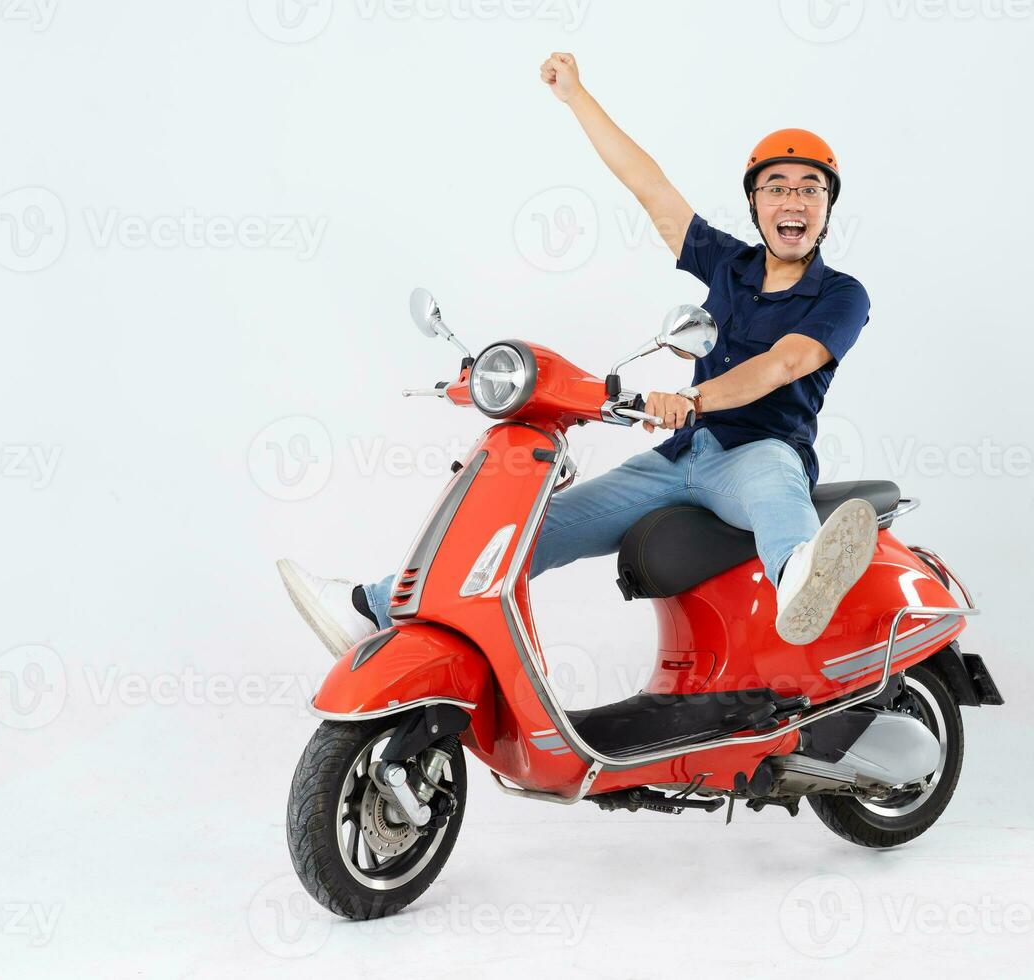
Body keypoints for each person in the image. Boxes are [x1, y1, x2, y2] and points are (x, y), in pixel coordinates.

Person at [277, 51, 874, 655]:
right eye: (776, 188)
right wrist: (577, 97)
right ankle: (374, 608)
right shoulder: (729, 264)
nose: (792, 202)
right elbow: (650, 187)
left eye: (809, 190)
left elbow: (786, 363)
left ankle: (802, 577)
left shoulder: (843, 294)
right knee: (535, 526)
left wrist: (694, 398)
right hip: (681, 455)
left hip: (760, 453)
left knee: (778, 489)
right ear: (755, 203)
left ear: (826, 209)